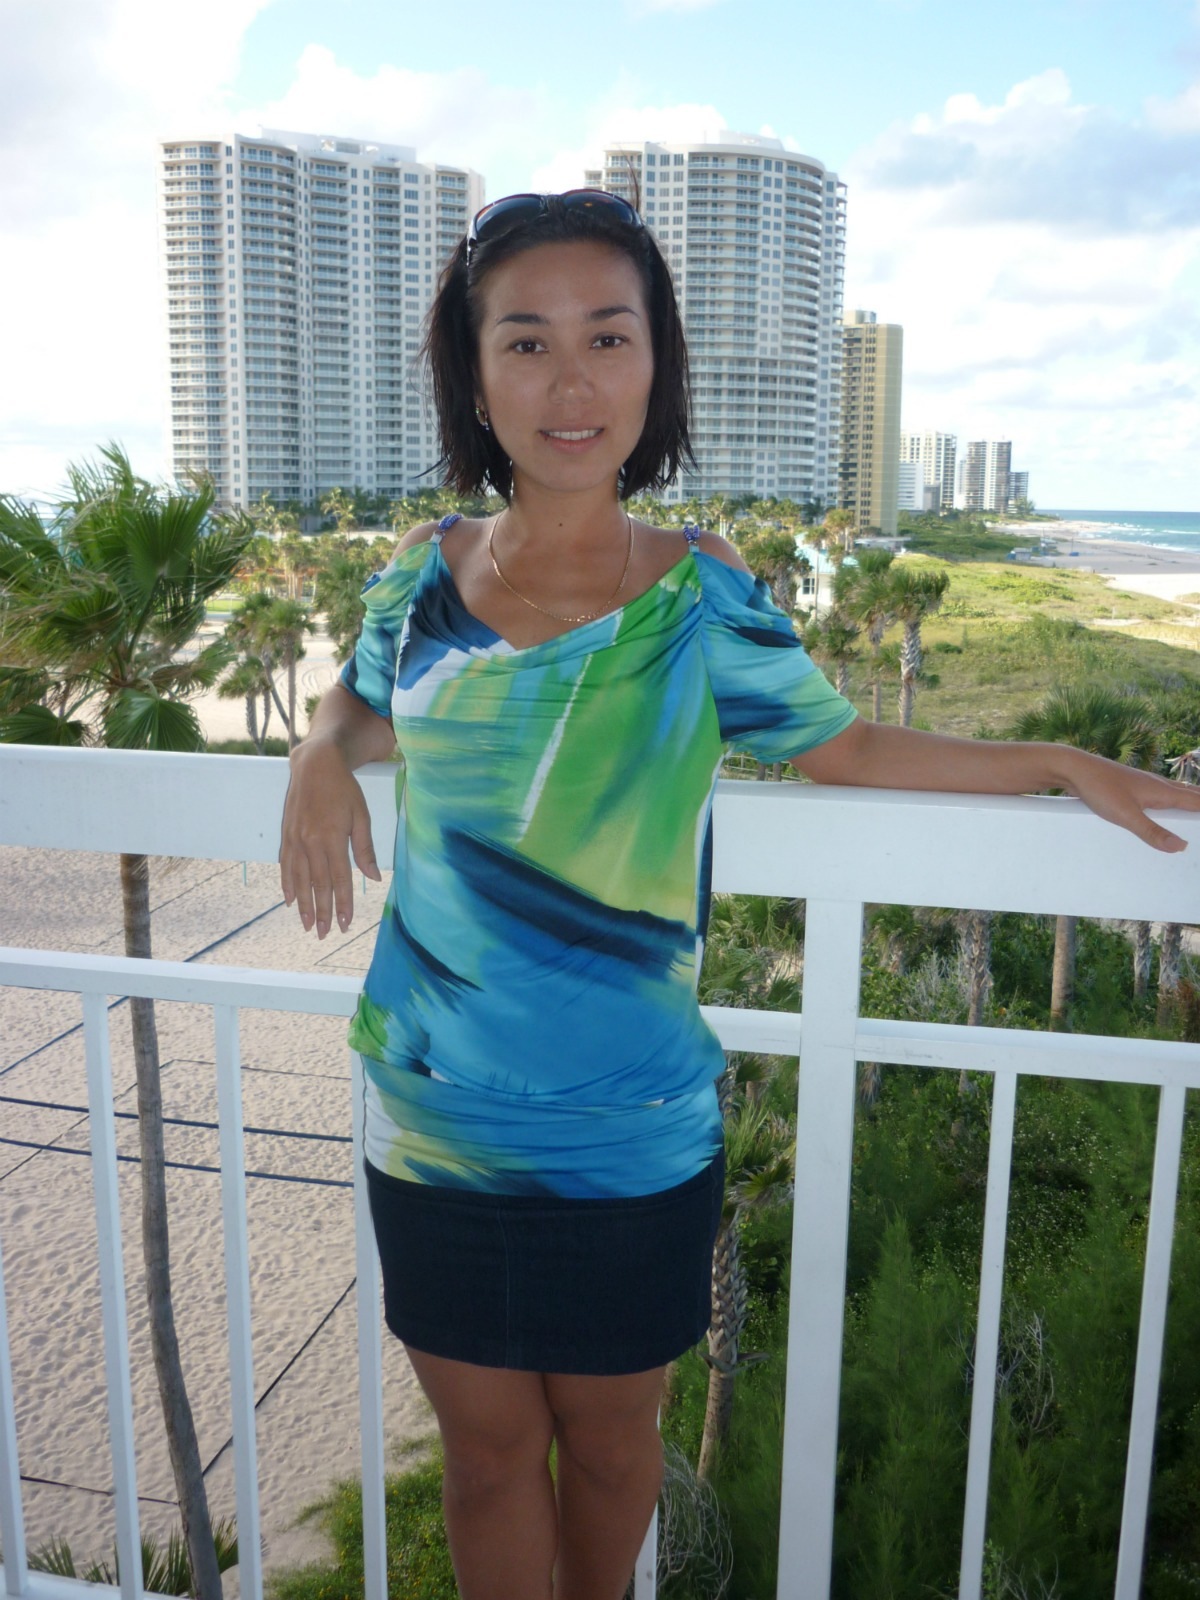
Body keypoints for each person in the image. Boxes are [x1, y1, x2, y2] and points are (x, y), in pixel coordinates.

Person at [279, 190, 1198, 1600]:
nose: (571, 383)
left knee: (610, 1448)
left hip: (633, 1114)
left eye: (608, 337)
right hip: (434, 1103)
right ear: (474, 372)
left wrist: (1055, 760)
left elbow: (847, 746)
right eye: (526, 343)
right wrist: (314, 753)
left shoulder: (702, 594)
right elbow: (357, 707)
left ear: (658, 364)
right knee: (483, 1453)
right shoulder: (422, 574)